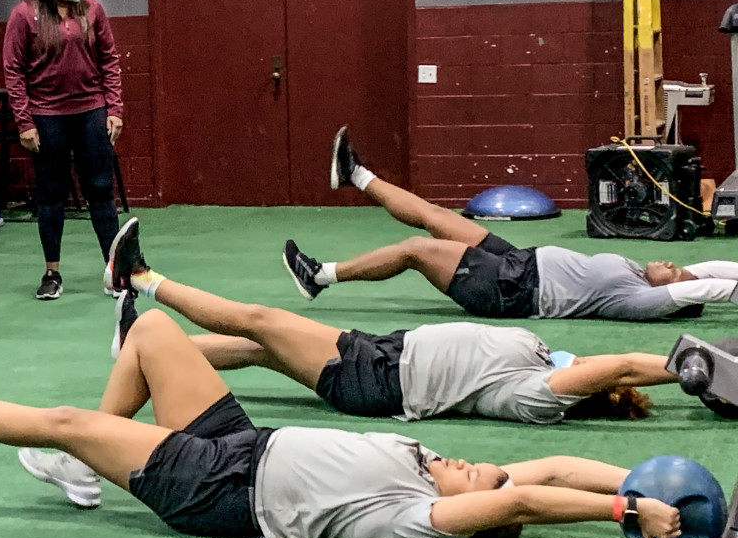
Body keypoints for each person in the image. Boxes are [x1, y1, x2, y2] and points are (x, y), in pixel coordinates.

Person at [0, 312, 682, 538]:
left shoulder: (421, 519)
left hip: (219, 490)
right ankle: (85, 468)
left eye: (480, 478)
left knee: (68, 422)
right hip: (244, 440)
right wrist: (635, 483)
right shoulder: (438, 470)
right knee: (153, 334)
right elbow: (551, 469)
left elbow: (527, 500)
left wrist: (622, 515)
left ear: (472, 516)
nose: (476, 464)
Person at [101, 217, 677, 423]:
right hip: (383, 355)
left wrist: (696, 366)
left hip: (374, 378)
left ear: (587, 389)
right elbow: (612, 367)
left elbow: (622, 365)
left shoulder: (539, 397)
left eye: (590, 372)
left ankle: (141, 278)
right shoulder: (539, 358)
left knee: (259, 321)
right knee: (259, 348)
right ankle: (138, 350)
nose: (587, 361)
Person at [280, 126, 738, 321]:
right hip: (520, 262)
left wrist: (701, 288)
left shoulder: (638, 299)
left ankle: (318, 276)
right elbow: (714, 272)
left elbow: (710, 289)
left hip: (510, 290)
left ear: (668, 297)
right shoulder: (641, 277)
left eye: (676, 274)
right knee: (436, 217)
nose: (673, 266)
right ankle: (356, 174)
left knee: (415, 250)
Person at [3, 0, 124, 301]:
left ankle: (115, 269)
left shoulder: (92, 10)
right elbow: (13, 70)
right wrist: (24, 121)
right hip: (46, 115)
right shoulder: (24, 15)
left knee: (100, 190)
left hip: (91, 111)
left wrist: (114, 109)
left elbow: (109, 60)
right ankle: (52, 273)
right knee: (51, 194)